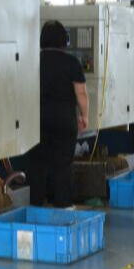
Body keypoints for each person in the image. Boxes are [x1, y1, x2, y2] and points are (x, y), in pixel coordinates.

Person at [27, 21, 89, 207]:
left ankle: (36, 206)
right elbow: (81, 93)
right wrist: (84, 116)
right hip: (64, 120)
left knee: (37, 165)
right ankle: (62, 206)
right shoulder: (72, 62)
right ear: (64, 40)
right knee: (62, 165)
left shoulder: (32, 61)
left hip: (37, 120)